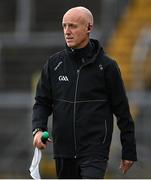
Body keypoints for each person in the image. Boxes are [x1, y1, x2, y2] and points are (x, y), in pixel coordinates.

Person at [32, 6, 137, 179]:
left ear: (89, 28)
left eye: (72, 26)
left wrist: (129, 150)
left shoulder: (107, 67)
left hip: (95, 151)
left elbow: (122, 111)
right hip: (63, 151)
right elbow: (42, 102)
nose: (67, 31)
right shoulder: (54, 64)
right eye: (64, 26)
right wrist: (38, 129)